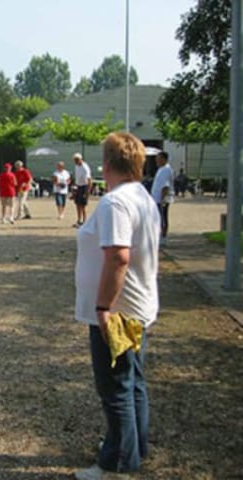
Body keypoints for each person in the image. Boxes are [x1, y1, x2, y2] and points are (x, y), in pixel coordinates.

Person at [74, 132, 160, 480]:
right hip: (136, 306)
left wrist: (102, 307)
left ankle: (117, 465)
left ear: (106, 164)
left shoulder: (116, 202)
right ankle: (132, 447)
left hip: (119, 310)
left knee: (115, 387)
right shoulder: (142, 197)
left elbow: (118, 256)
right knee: (132, 381)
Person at [150, 151, 174, 247]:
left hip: (161, 199)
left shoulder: (166, 170)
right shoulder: (161, 169)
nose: (157, 161)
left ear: (164, 159)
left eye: (158, 159)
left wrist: (163, 199)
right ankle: (159, 236)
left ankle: (163, 238)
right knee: (159, 218)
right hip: (157, 198)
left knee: (163, 218)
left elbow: (165, 186)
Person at [73, 153, 92, 227]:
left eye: (77, 159)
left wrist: (87, 192)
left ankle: (85, 221)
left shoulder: (85, 167)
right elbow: (77, 178)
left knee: (83, 205)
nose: (76, 161)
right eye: (75, 160)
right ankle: (79, 220)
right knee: (77, 204)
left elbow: (89, 179)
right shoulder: (76, 166)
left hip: (84, 186)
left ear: (81, 159)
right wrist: (75, 188)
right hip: (79, 186)